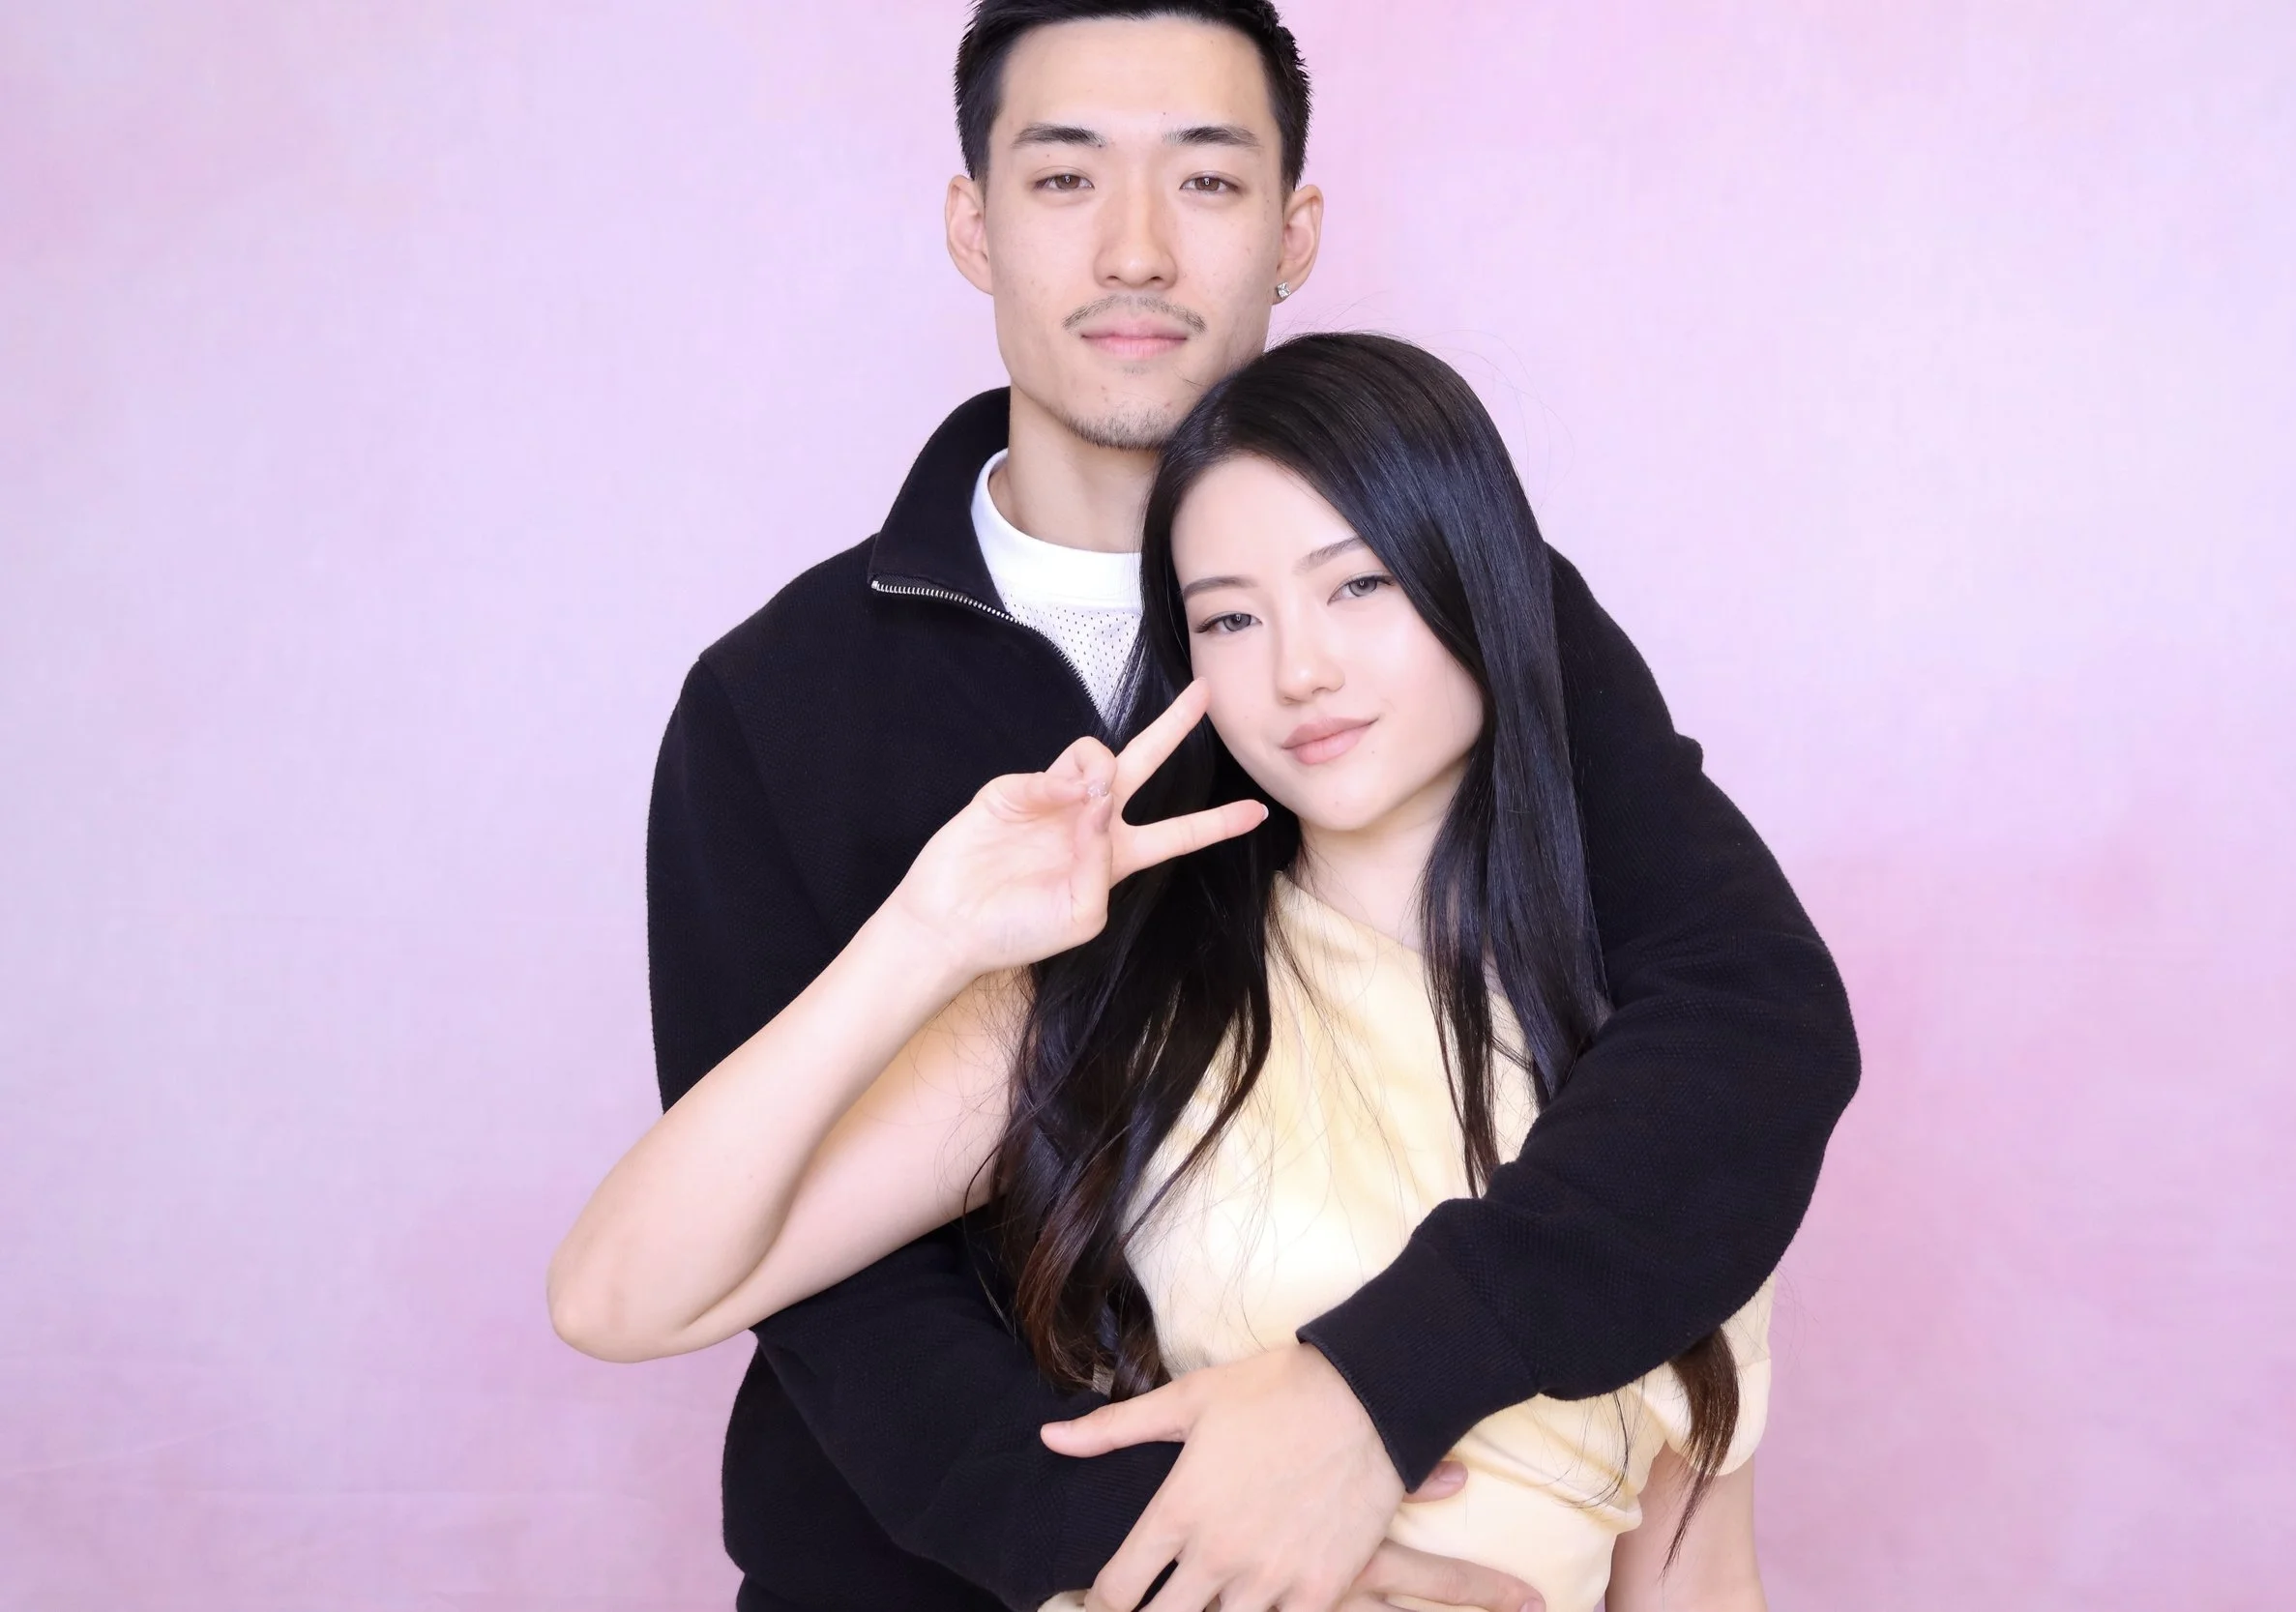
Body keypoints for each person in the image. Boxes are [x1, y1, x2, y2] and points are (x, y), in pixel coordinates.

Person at [611, 3, 1858, 1607]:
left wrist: (1370, 1387)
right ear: (970, 223)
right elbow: (810, 1285)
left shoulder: (1464, 613)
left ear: (1295, 231)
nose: (1135, 250)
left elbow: (1748, 1019)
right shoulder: (778, 702)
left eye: (1206, 183)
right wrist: (1229, 1573)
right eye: (1064, 181)